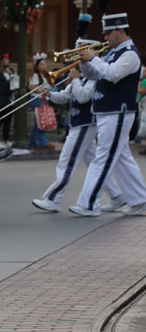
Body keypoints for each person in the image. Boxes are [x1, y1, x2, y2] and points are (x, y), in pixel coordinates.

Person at [70, 0, 146, 216]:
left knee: (103, 156)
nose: (104, 39)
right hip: (106, 110)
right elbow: (94, 76)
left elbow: (112, 74)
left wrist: (93, 57)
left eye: (107, 34)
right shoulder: (112, 52)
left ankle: (88, 204)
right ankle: (140, 199)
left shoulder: (130, 54)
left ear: (120, 31)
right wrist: (83, 62)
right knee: (121, 156)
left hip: (118, 111)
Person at [32, 41, 123, 213]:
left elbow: (82, 97)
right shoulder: (79, 77)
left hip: (84, 123)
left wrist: (74, 80)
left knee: (66, 161)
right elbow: (65, 97)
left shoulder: (94, 77)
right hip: (78, 123)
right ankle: (116, 195)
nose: (76, 61)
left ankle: (53, 199)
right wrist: (49, 94)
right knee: (94, 163)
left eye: (79, 56)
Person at [0, 55, 15, 147]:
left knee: (7, 122)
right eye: (5, 60)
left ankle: (6, 139)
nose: (7, 61)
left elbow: (15, 86)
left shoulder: (11, 74)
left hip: (9, 100)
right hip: (0, 101)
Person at [28, 55, 52, 148]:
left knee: (39, 121)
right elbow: (32, 87)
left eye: (44, 64)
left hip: (43, 99)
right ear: (37, 65)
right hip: (37, 99)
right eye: (41, 64)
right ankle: (42, 141)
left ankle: (34, 141)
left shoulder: (45, 75)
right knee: (41, 120)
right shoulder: (35, 75)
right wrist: (43, 91)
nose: (44, 66)